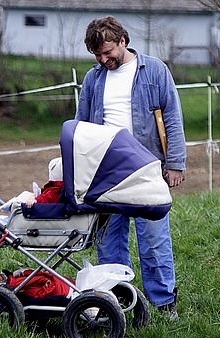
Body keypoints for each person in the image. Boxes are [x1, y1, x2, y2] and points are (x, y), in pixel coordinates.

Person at [75, 16, 186, 320]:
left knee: (153, 240)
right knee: (108, 242)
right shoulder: (93, 79)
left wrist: (174, 163)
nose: (103, 59)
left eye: (107, 52)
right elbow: (81, 126)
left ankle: (163, 303)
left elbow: (173, 119)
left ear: (122, 41)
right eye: (97, 55)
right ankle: (117, 301)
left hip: (147, 169)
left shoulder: (155, 71)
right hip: (105, 173)